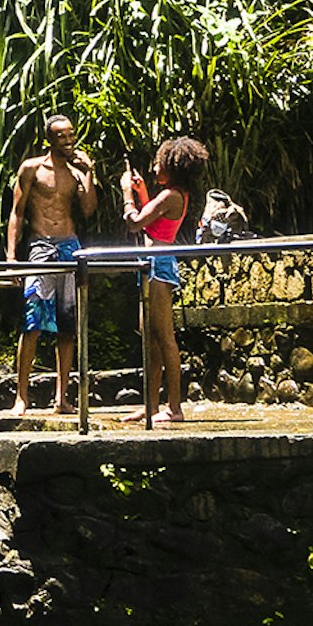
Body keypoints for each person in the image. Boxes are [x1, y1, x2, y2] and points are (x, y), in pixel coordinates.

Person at [0, 114, 98, 414]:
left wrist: (89, 172)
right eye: (61, 136)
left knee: (68, 326)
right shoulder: (32, 168)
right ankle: (21, 397)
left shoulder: (76, 172)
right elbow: (16, 212)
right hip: (41, 247)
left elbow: (88, 209)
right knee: (33, 323)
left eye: (71, 135)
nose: (68, 141)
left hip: (70, 246)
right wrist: (11, 257)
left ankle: (62, 398)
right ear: (50, 139)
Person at [122, 136, 210, 429]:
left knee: (165, 336)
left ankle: (174, 406)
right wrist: (143, 193)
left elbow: (135, 222)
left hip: (159, 265)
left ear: (173, 167)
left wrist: (127, 194)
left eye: (158, 163)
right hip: (152, 264)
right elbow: (153, 222)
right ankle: (151, 405)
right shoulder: (171, 195)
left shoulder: (171, 195)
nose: (153, 166)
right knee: (151, 338)